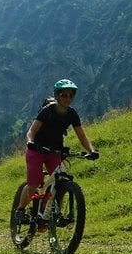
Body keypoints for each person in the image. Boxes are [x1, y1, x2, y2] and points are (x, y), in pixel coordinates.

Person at [15, 79, 97, 223]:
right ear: (57, 96)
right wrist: (30, 143)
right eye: (64, 95)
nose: (67, 98)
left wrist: (91, 150)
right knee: (34, 183)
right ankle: (20, 210)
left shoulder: (72, 114)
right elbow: (31, 131)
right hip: (37, 149)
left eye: (71, 95)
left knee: (62, 179)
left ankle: (55, 213)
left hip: (55, 151)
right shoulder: (48, 110)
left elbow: (82, 136)